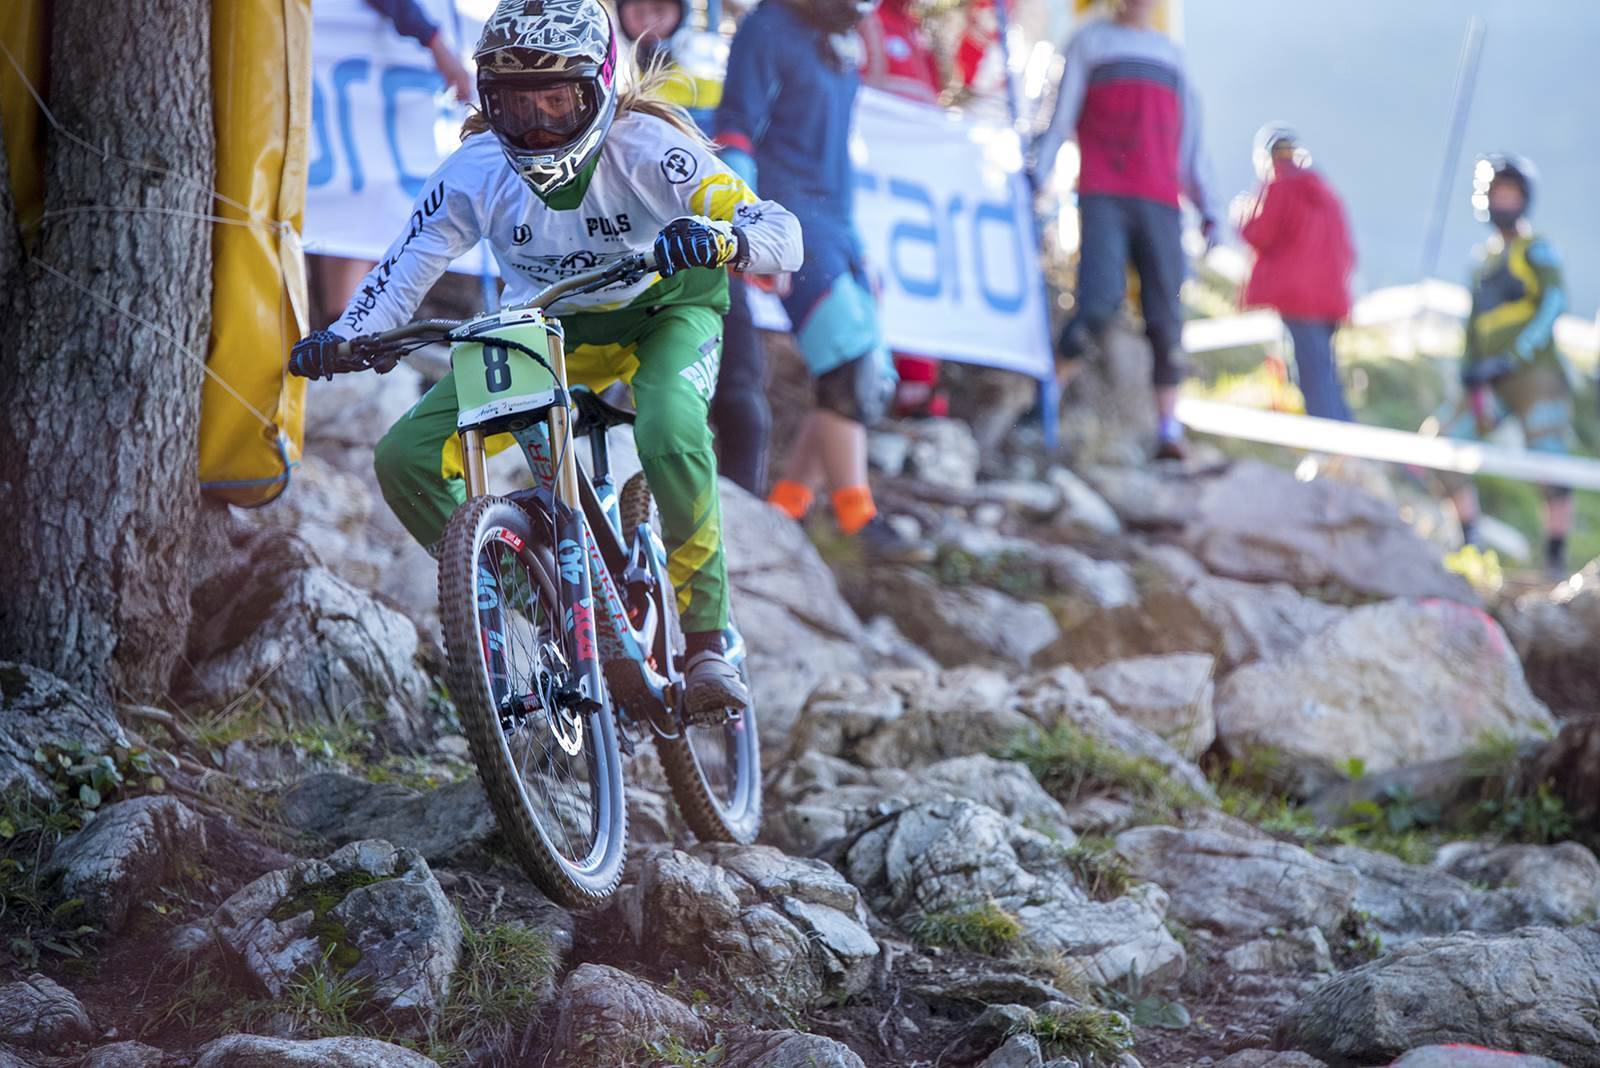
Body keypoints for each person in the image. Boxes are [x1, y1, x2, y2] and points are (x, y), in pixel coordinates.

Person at [289, 0, 803, 718]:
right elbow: (402, 271)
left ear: (598, 86)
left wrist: (727, 242)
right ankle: (545, 606)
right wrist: (348, 335)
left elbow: (780, 230)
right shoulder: (475, 169)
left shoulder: (651, 147)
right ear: (487, 101)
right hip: (552, 322)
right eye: (515, 103)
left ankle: (708, 640)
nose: (535, 124)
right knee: (404, 457)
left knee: (669, 430)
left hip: (666, 311)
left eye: (556, 100)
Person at [716, 0, 927, 560]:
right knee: (849, 366)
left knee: (865, 375)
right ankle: (857, 518)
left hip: (836, 220)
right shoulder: (767, 27)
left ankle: (785, 512)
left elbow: (835, 152)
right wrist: (751, 227)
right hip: (788, 214)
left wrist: (858, 251)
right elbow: (735, 128)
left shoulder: (842, 38)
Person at [1033, 0, 1218, 460]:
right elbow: (1059, 117)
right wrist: (1036, 174)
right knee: (1096, 300)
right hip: (1104, 192)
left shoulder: (1171, 56)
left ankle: (1167, 431)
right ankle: (1045, 402)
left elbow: (1189, 141)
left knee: (1166, 316)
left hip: (1160, 201)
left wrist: (1208, 207)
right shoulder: (1089, 43)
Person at [615, 0, 773, 495]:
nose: (647, 21)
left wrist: (750, 233)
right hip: (620, 254)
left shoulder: (706, 61)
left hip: (705, 249)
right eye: (635, 8)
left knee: (741, 396)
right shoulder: (597, 59)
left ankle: (746, 520)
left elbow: (736, 150)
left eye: (660, 9)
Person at [1433, 153, 1575, 578]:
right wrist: (1470, 367)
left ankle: (1554, 561)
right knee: (1443, 445)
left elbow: (1554, 303)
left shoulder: (1538, 249)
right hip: (1488, 385)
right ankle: (1470, 544)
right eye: (1498, 193)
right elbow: (1473, 325)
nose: (1504, 201)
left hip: (1535, 379)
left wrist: (1513, 358)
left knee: (1550, 463)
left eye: (1511, 193)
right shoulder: (1483, 261)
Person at [1237, 123, 1356, 422]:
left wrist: (1242, 212)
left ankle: (1332, 448)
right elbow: (1348, 249)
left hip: (1297, 298)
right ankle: (1348, 441)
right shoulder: (1327, 193)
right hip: (1330, 298)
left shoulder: (1278, 188)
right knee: (1326, 374)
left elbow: (1257, 233)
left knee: (1311, 378)